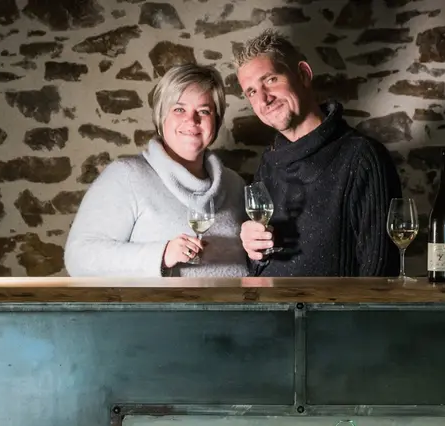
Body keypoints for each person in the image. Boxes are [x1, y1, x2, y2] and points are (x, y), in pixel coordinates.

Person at [234, 29, 401, 276]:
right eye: (251, 92)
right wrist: (254, 253)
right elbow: (261, 270)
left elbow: (380, 274)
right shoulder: (268, 164)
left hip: (334, 304)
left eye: (270, 80)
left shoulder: (362, 157)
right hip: (270, 303)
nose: (263, 99)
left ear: (303, 74)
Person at [64, 64, 247, 277]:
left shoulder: (234, 185)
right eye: (179, 109)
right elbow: (79, 257)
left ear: (216, 120)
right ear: (161, 116)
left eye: (204, 111)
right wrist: (161, 254)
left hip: (238, 301)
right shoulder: (126, 175)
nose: (192, 120)